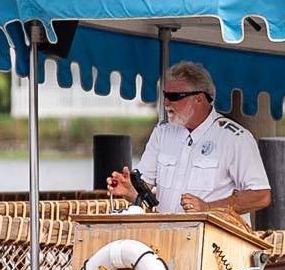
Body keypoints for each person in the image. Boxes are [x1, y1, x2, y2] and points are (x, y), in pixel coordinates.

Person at [106, 61, 271, 218]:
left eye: (174, 96)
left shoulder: (235, 138)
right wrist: (129, 191)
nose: (165, 102)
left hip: (215, 243)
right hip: (168, 238)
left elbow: (261, 195)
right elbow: (144, 190)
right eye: (165, 95)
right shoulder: (162, 132)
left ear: (199, 99)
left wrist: (208, 208)